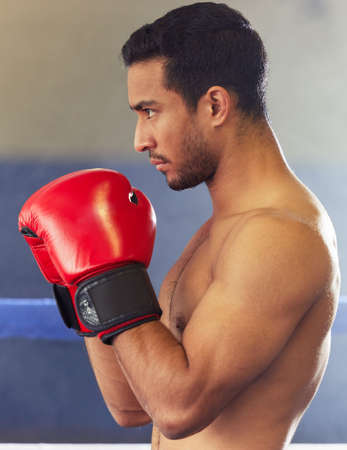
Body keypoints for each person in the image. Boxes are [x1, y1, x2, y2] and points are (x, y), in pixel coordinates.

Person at [19, 2, 340, 449]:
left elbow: (178, 410)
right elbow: (132, 405)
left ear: (214, 105)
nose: (139, 140)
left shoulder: (280, 237)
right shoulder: (222, 231)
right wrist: (82, 282)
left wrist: (108, 278)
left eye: (150, 111)